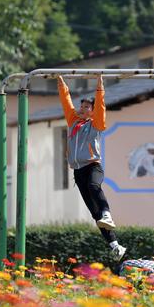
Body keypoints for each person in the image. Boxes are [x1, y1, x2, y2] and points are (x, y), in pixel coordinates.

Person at [57, 74, 126, 259]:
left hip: (93, 166)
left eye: (87, 107)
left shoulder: (96, 123)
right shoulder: (73, 121)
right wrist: (62, 85)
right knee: (93, 211)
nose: (82, 109)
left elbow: (101, 107)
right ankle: (115, 245)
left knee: (94, 186)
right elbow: (66, 102)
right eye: (81, 106)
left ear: (93, 111)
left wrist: (99, 88)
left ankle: (107, 213)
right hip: (78, 171)